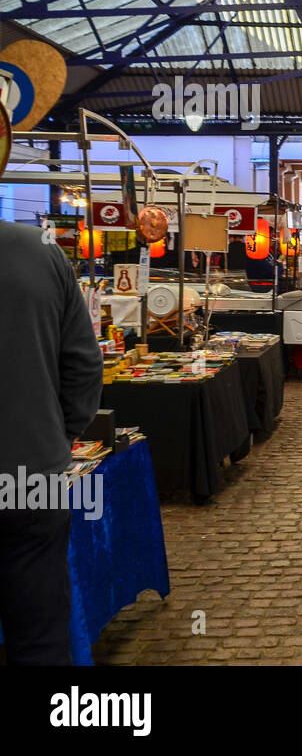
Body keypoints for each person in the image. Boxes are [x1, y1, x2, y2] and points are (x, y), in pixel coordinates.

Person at [0, 222, 103, 664]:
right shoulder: (38, 248)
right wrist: (56, 437)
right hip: (29, 475)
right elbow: (83, 362)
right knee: (39, 636)